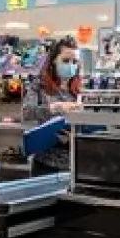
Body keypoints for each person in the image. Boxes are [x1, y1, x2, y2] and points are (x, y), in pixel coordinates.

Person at [23, 36, 81, 175]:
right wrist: (54, 107)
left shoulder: (81, 89)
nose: (71, 65)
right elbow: (27, 112)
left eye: (74, 62)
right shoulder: (39, 85)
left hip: (75, 165)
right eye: (66, 61)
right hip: (45, 164)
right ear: (54, 60)